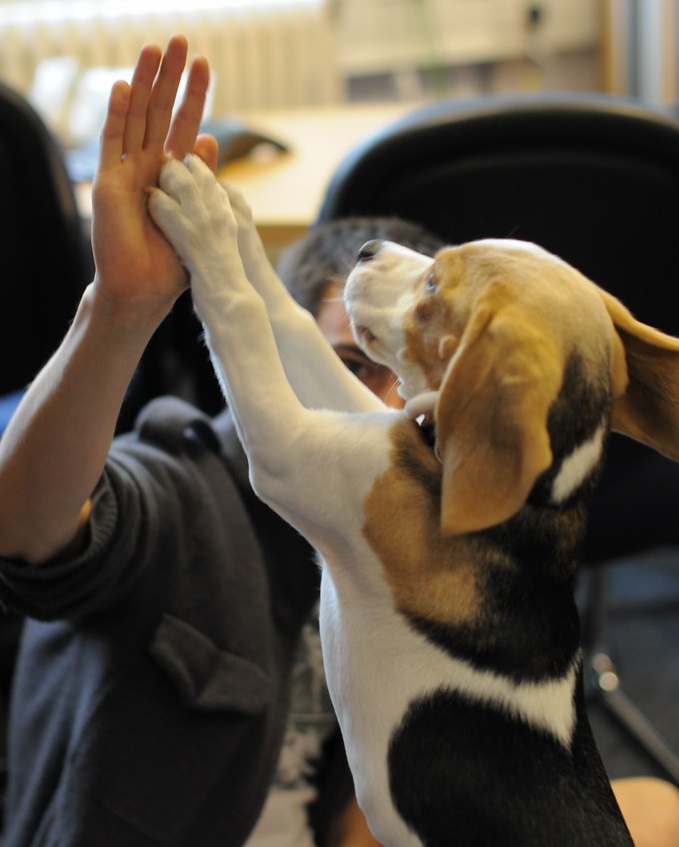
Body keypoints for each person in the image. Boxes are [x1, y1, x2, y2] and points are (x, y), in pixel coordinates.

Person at [0, 34, 677, 847]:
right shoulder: (196, 494)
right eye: (346, 362)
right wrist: (119, 307)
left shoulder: (450, 492)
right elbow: (26, 530)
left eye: (409, 382)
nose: (375, 404)